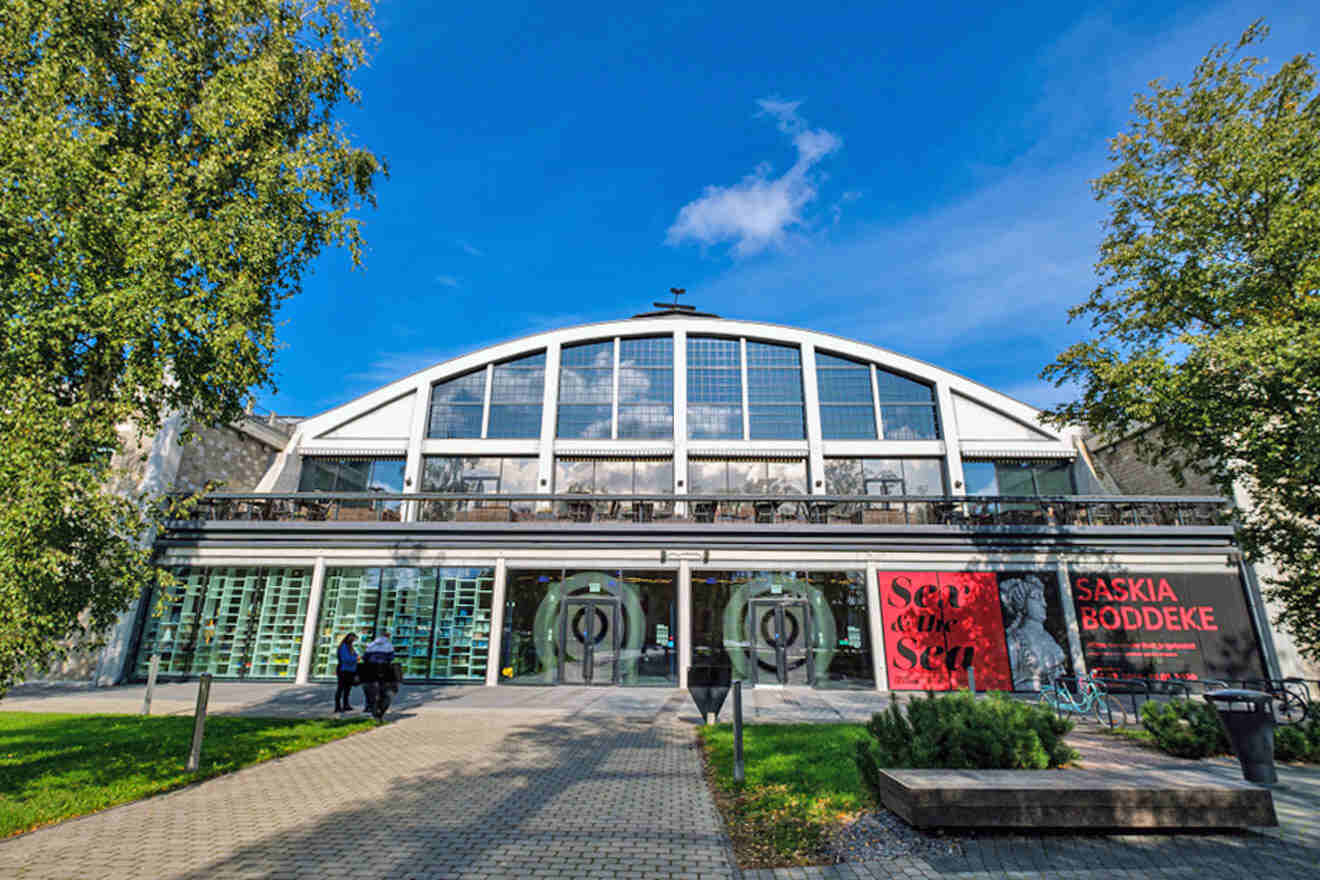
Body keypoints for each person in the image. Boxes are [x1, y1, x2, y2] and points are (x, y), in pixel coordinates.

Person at [1000, 575, 1069, 691]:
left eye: (1043, 598)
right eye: (1037, 598)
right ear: (1022, 604)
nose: (1044, 604)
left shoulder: (1048, 639)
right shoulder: (1014, 641)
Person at [359, 631, 396, 719]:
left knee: (369, 688)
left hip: (371, 668)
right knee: (384, 688)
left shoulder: (371, 644)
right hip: (383, 669)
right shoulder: (389, 645)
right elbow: (391, 658)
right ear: (387, 637)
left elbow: (364, 657)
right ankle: (380, 707)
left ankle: (368, 706)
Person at [334, 632, 358, 712]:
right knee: (341, 688)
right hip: (344, 670)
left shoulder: (350, 647)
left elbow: (354, 655)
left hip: (350, 670)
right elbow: (346, 659)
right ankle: (337, 707)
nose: (353, 641)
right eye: (353, 639)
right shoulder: (344, 647)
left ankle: (345, 705)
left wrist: (355, 657)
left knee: (347, 689)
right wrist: (356, 659)